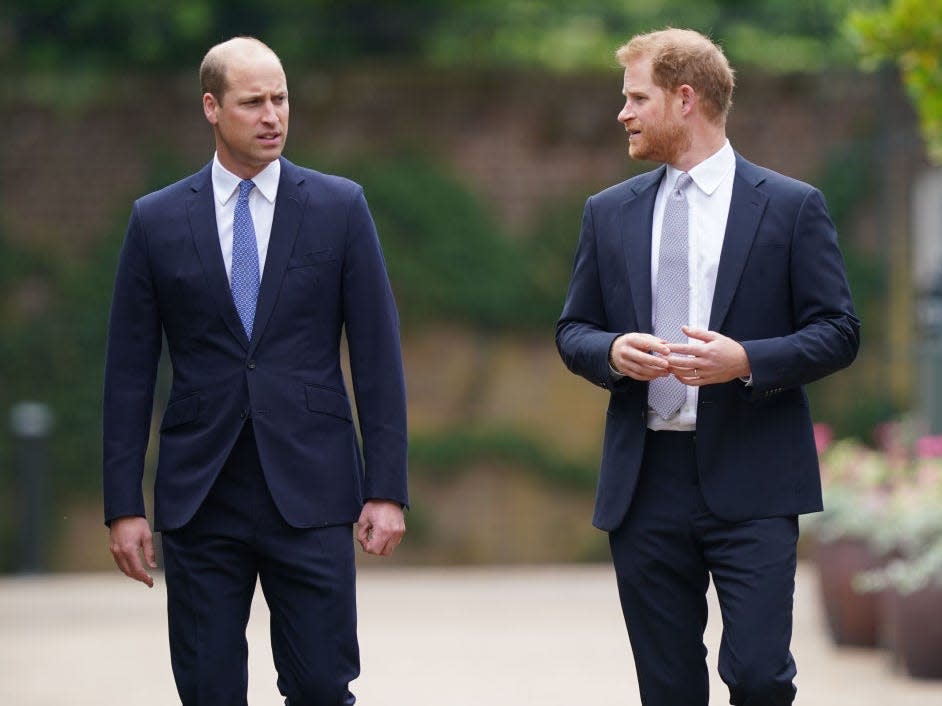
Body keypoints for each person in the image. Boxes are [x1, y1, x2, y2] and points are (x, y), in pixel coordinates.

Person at [556, 28, 859, 706]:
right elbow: (572, 329)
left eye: (637, 98)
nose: (623, 113)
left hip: (755, 477)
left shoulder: (790, 205)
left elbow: (839, 332)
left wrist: (746, 360)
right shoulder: (608, 214)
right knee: (667, 688)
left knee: (758, 676)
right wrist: (609, 352)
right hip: (645, 483)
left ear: (684, 98)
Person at [103, 36, 408, 706]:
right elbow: (127, 372)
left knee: (322, 687)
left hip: (314, 490)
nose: (273, 115)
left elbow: (379, 355)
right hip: (200, 494)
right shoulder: (155, 221)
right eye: (253, 102)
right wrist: (124, 504)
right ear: (212, 107)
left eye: (281, 98)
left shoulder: (339, 207)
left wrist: (386, 489)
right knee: (208, 691)